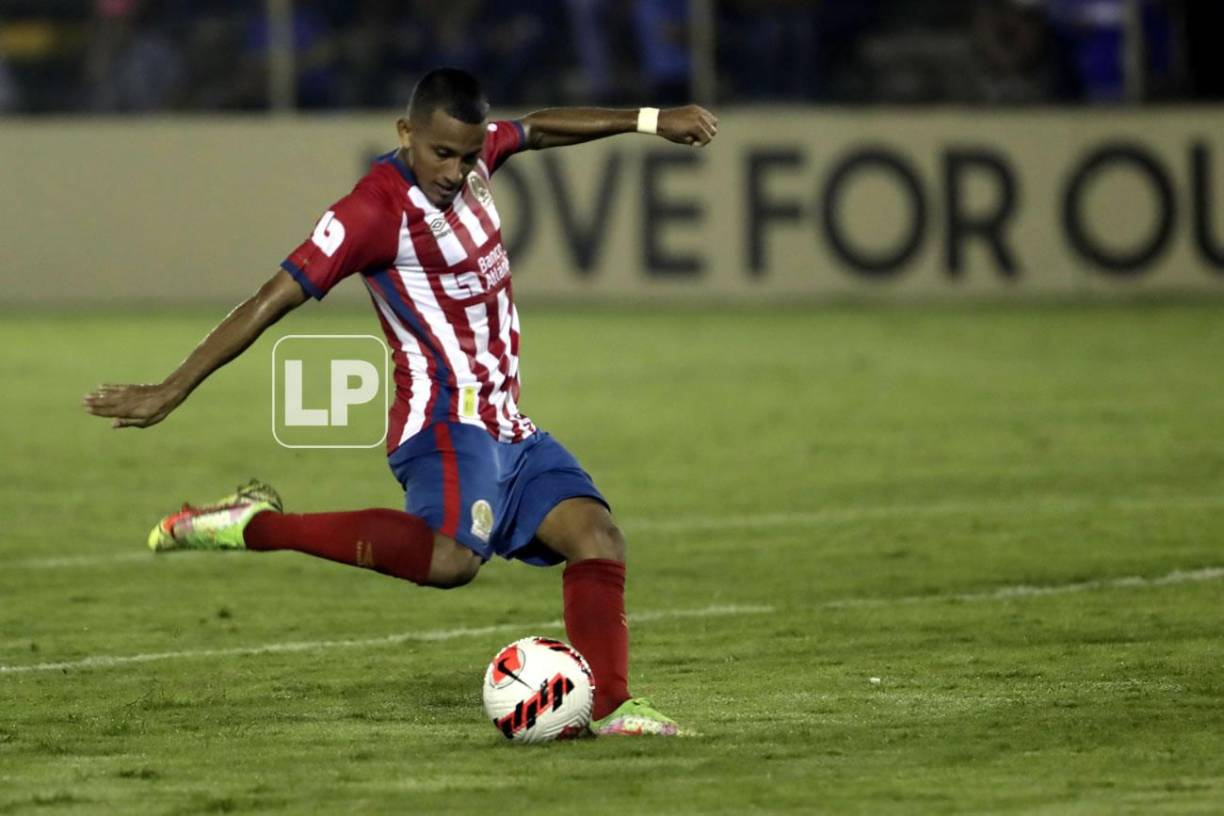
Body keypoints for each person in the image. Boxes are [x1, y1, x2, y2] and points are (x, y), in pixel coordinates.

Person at [83, 67, 718, 737]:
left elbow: (536, 127)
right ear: (405, 133)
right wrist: (171, 387)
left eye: (469, 155)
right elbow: (274, 296)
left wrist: (648, 120)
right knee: (451, 561)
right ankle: (255, 526)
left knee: (598, 538)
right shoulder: (372, 212)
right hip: (441, 421)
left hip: (506, 421)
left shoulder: (476, 160)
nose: (455, 169)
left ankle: (616, 710)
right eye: (441, 153)